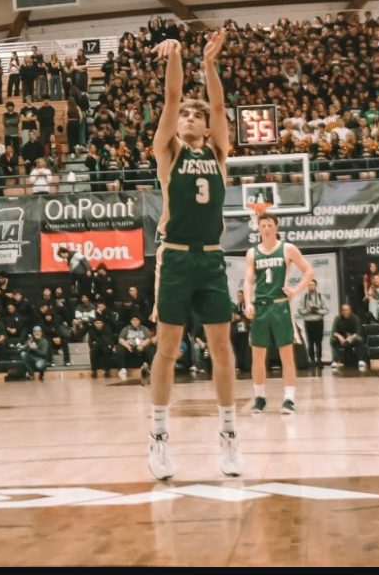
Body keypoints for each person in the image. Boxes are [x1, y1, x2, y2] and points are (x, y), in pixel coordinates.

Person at [146, 29, 242, 481]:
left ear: (205, 127)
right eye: (183, 115)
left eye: (193, 115)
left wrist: (210, 65)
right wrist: (177, 56)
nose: (186, 117)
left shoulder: (219, 153)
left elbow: (220, 106)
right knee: (167, 349)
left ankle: (229, 436)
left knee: (222, 348)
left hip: (211, 259)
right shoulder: (168, 153)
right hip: (177, 257)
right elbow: (169, 97)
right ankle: (159, 437)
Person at [244, 209, 314, 414]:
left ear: (276, 227)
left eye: (269, 225)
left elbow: (309, 271)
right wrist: (248, 303)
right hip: (261, 307)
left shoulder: (287, 248)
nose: (266, 228)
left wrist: (295, 290)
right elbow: (248, 280)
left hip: (280, 305)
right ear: (258, 228)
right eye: (263, 225)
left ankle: (289, 399)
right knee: (257, 356)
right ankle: (259, 398)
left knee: (287, 354)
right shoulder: (252, 253)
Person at [298, 278, 327, 370]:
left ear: (315, 286)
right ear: (307, 286)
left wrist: (318, 311)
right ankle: (312, 360)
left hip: (318, 321)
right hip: (308, 321)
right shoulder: (304, 297)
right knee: (310, 342)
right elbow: (300, 310)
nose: (311, 286)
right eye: (309, 285)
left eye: (312, 285)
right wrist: (308, 310)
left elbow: (326, 309)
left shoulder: (320, 296)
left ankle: (319, 359)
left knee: (318, 341)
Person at [330, 304, 368, 371]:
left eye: (347, 310)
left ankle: (361, 360)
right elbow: (334, 331)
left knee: (360, 339)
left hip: (352, 339)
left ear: (350, 310)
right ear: (341, 311)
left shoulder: (355, 318)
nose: (346, 311)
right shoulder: (337, 318)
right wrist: (339, 336)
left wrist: (351, 337)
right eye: (344, 310)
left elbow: (358, 331)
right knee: (333, 340)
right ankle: (335, 361)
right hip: (341, 340)